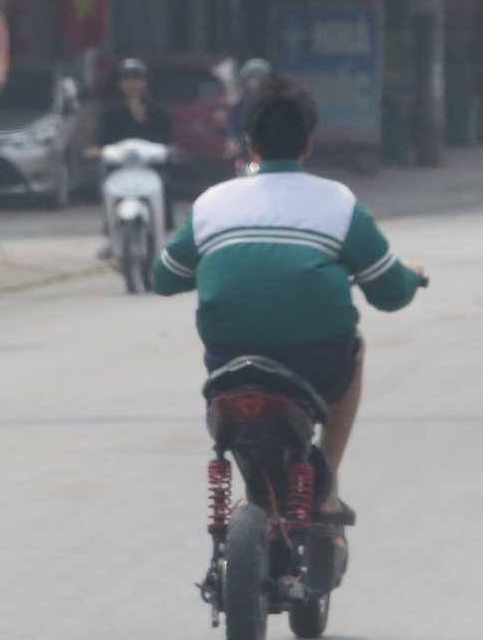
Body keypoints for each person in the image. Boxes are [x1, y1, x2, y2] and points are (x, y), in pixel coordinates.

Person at [152, 77, 424, 525]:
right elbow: (391, 293)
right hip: (319, 365)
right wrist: (413, 275)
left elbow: (164, 279)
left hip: (229, 368)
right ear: (309, 143)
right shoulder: (338, 203)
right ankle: (326, 485)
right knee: (355, 346)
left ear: (250, 144)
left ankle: (254, 493)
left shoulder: (211, 205)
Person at [89, 57, 177, 229]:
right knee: (105, 184)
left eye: (136, 79)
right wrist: (97, 148)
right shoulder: (111, 111)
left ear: (144, 82)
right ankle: (109, 228)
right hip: (120, 166)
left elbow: (167, 138)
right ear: (120, 83)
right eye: (127, 79)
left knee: (165, 183)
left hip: (149, 165)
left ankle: (166, 228)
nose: (132, 84)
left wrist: (168, 150)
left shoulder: (157, 110)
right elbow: (101, 136)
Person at [226, 58, 274, 169]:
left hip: (268, 153)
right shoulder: (240, 105)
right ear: (245, 81)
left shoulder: (274, 104)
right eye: (252, 78)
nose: (256, 82)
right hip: (246, 153)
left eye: (260, 78)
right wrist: (232, 139)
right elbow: (233, 125)